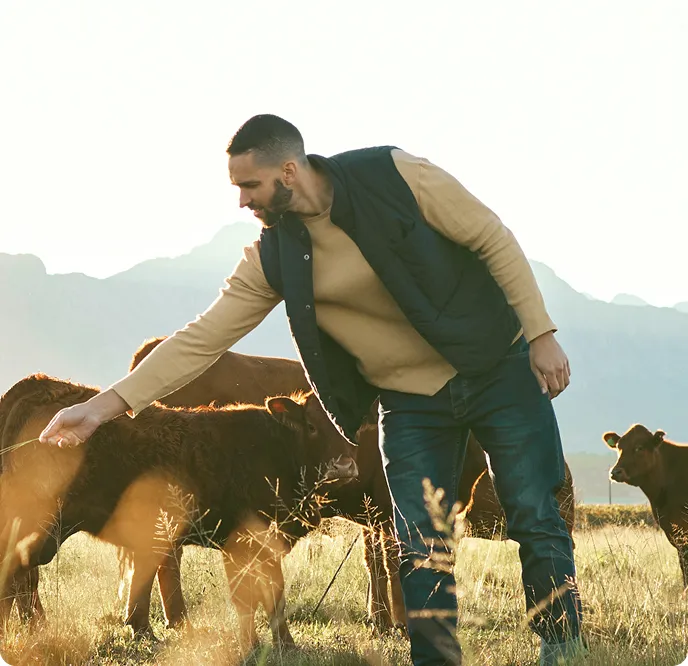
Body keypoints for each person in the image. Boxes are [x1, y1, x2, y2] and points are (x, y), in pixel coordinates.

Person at [40, 114, 584, 665]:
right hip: (410, 401)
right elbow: (200, 339)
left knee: (534, 514)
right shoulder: (272, 259)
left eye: (250, 186)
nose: (243, 202)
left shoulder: (395, 174)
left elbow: (491, 235)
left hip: (497, 366)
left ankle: (561, 649)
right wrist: (102, 407)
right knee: (420, 542)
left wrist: (541, 333)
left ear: (290, 171)